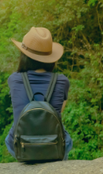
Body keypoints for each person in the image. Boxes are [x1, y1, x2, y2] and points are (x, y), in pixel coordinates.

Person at [5, 27, 73, 160]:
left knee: (9, 138)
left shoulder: (14, 80)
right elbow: (58, 110)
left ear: (24, 56)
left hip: (21, 144)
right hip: (54, 144)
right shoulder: (62, 81)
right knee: (66, 136)